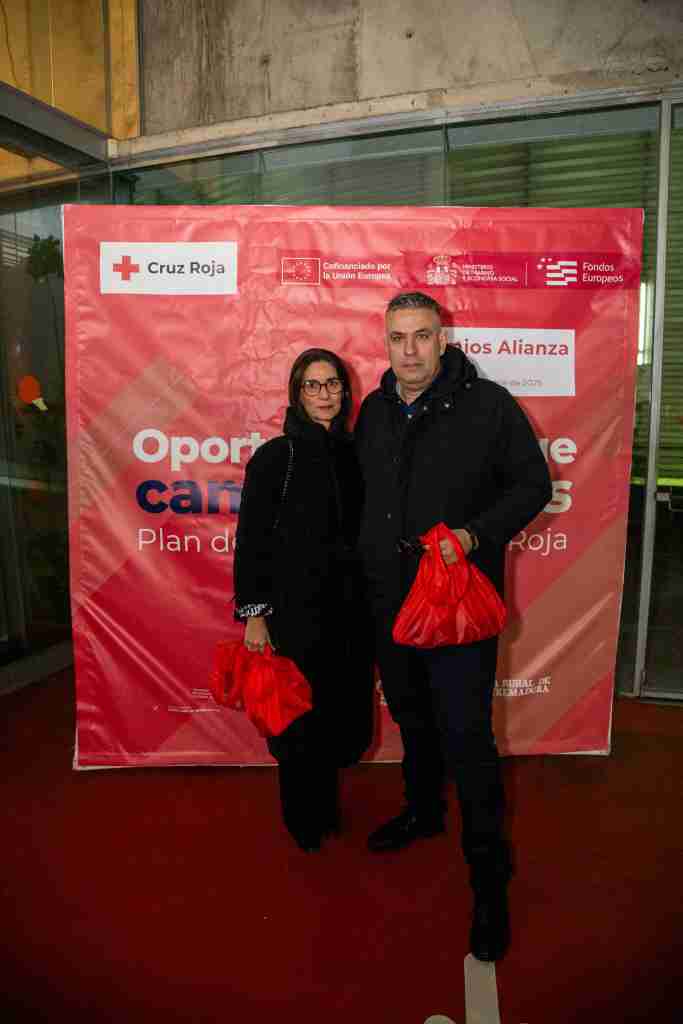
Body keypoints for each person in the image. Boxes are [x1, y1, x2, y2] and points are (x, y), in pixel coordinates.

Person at [354, 292, 552, 961]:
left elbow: (532, 485)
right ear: (385, 342)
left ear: (442, 339)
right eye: (397, 337)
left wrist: (473, 535)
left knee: (467, 738)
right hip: (392, 602)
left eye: (421, 336)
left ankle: (489, 881)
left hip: (458, 602)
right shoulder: (374, 409)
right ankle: (422, 812)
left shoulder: (488, 404)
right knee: (413, 719)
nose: (408, 350)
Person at [233, 348, 374, 853]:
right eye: (312, 385)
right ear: (296, 394)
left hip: (350, 612)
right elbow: (251, 540)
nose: (324, 394)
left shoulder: (357, 453)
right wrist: (254, 615)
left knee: (339, 716)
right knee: (297, 718)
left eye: (332, 383)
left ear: (345, 390)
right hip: (295, 614)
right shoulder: (278, 456)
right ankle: (302, 820)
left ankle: (326, 807)